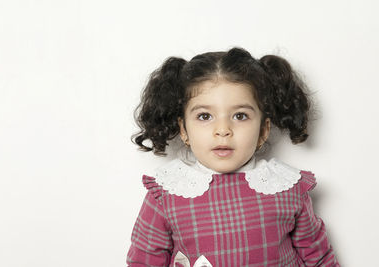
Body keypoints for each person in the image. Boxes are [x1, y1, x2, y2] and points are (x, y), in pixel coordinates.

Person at [126, 47, 339, 266]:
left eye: (240, 116)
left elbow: (319, 257)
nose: (223, 129)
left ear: (263, 130)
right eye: (205, 116)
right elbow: (143, 262)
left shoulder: (286, 187)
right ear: (184, 130)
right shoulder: (167, 192)